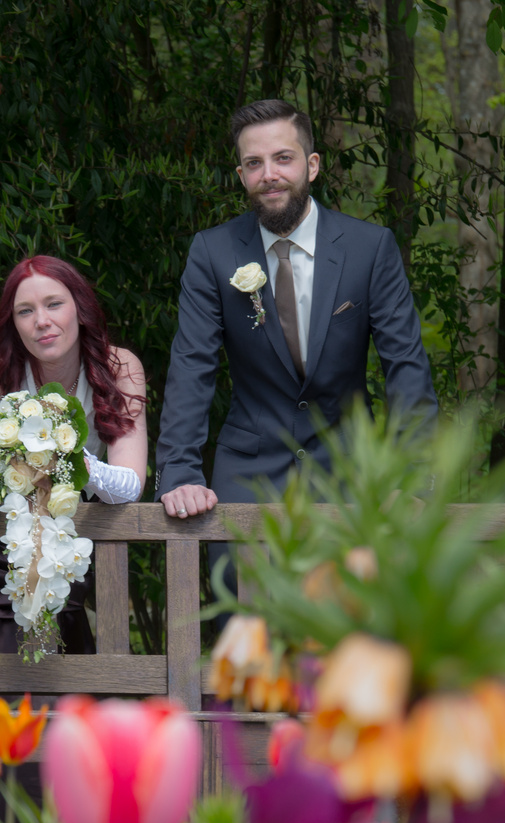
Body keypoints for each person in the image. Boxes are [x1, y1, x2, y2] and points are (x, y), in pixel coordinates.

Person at [155, 99, 438, 539]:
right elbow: (192, 366)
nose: (269, 174)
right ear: (241, 176)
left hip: (351, 474)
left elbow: (405, 366)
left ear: (312, 165)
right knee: (241, 607)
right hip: (247, 475)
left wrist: (414, 479)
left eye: (282, 158)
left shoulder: (370, 248)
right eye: (254, 163)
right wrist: (179, 473)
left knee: (351, 607)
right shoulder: (212, 253)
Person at [0, 254, 148, 653]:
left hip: (61, 548)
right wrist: (19, 466)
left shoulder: (120, 367)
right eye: (25, 311)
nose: (41, 321)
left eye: (54, 304)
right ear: (13, 323)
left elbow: (131, 485)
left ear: (80, 308)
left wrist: (69, 462)